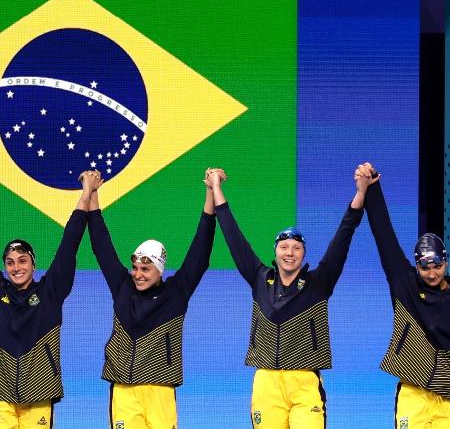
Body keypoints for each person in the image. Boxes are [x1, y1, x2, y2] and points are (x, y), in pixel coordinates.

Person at [205, 168, 370, 429]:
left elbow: (344, 234)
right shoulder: (259, 278)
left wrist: (360, 193)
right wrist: (216, 190)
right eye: (284, 247)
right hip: (266, 384)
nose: (289, 253)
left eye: (296, 248)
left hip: (305, 384)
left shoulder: (319, 282)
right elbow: (234, 238)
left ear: (303, 254)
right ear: (276, 251)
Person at [85, 168, 223, 429]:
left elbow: (200, 251)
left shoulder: (176, 293)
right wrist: (92, 195)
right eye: (135, 267)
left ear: (160, 270)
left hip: (161, 389)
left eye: (145, 269)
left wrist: (209, 194)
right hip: (124, 391)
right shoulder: (122, 287)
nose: (137, 274)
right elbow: (101, 245)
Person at [0, 171, 101, 429]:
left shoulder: (50, 293)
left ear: (34, 264)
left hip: (40, 392)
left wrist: (86, 194)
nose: (16, 268)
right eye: (10, 263)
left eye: (23, 261)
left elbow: (70, 243)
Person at [358, 162, 450, 429]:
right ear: (416, 265)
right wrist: (373, 188)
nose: (432, 274)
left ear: (445, 262)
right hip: (413, 391)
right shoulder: (405, 285)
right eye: (425, 267)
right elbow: (384, 236)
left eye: (438, 267)